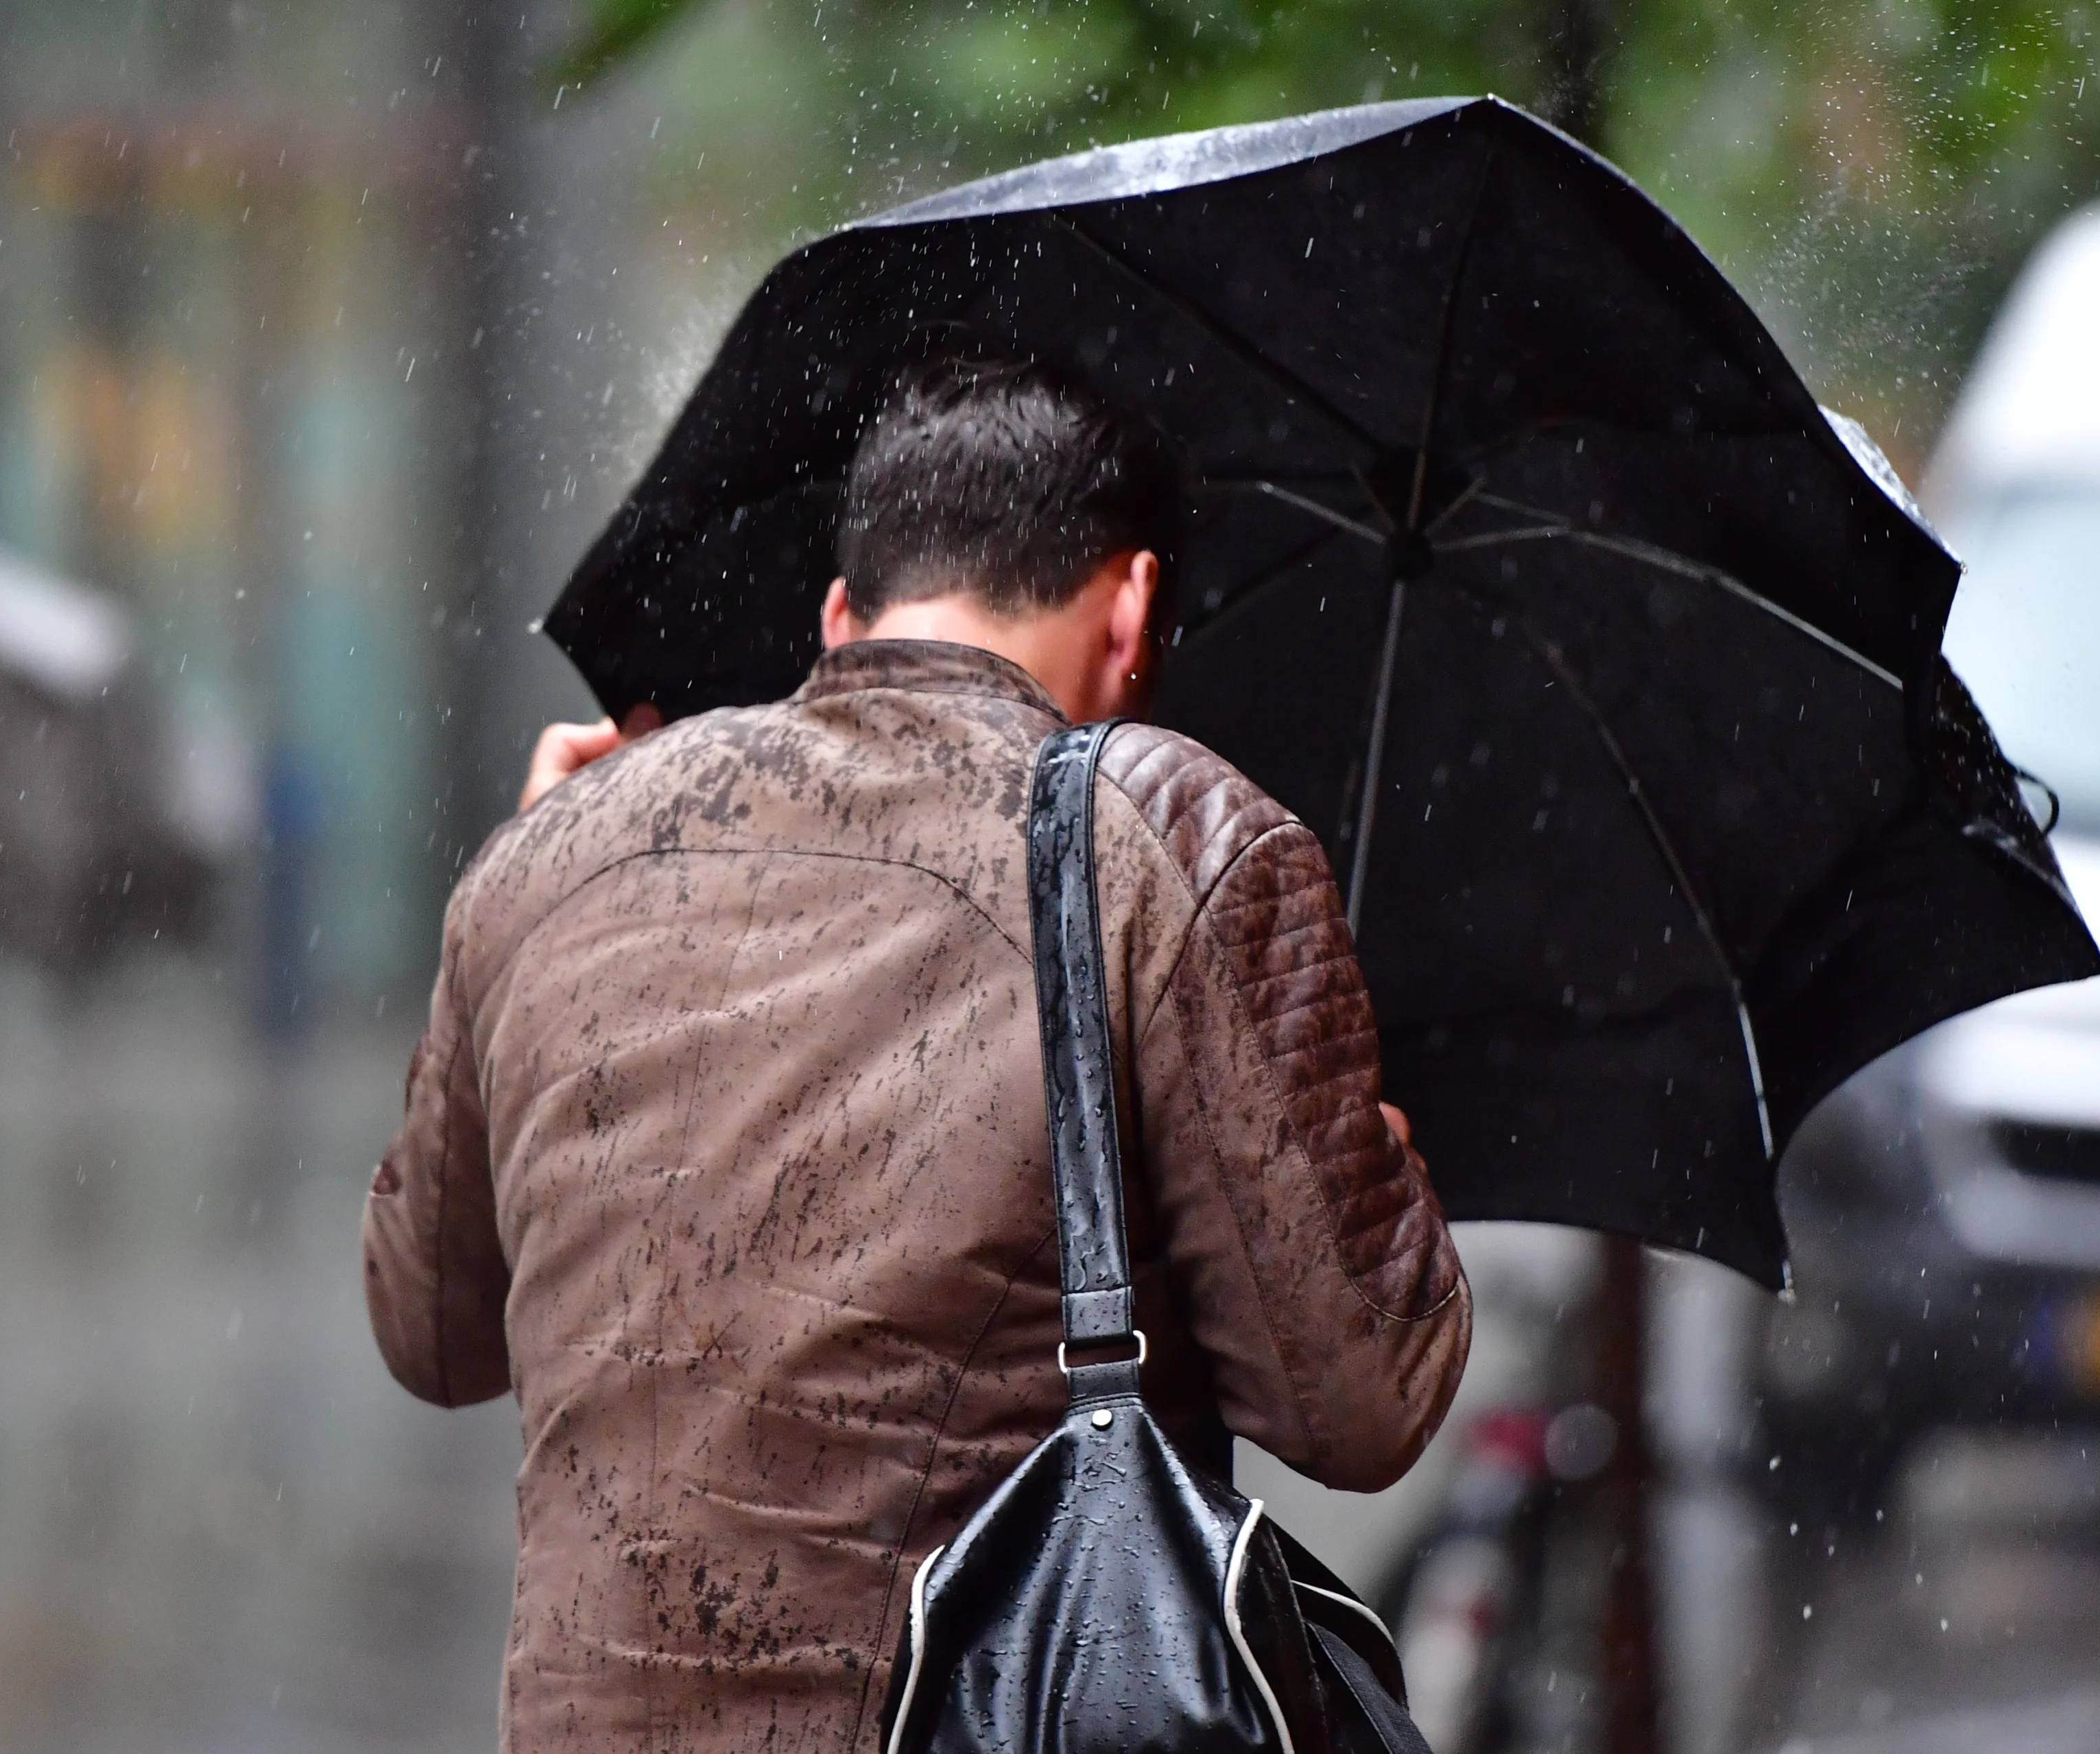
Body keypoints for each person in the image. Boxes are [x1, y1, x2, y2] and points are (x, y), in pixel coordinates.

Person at [365, 358, 1471, 1751]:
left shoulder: (552, 855)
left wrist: (519, 876)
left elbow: (434, 1330)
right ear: (1133, 604)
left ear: (841, 615)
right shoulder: (1173, 835)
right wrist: (1371, 1156)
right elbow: (1361, 1405)